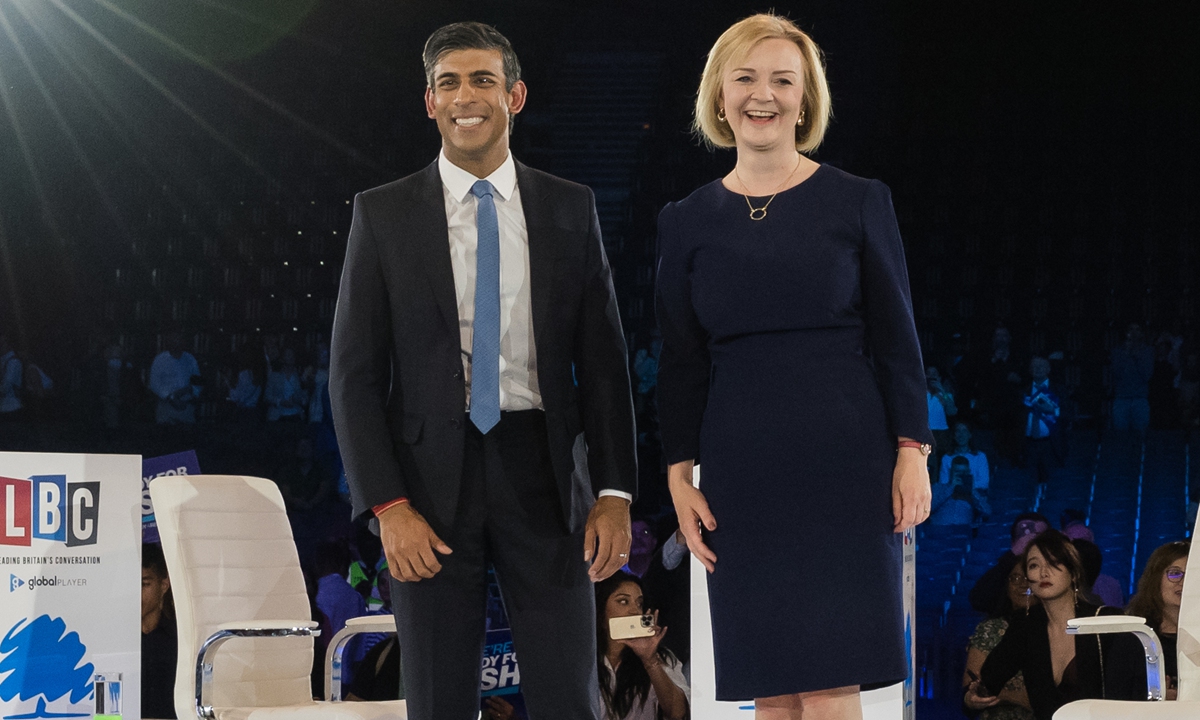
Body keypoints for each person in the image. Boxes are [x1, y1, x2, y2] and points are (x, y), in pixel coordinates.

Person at [329, 21, 637, 720]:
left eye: (482, 80)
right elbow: (352, 376)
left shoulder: (569, 206)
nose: (465, 96)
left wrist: (615, 491)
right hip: (425, 490)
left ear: (515, 95)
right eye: (448, 83)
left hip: (546, 474)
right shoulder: (380, 214)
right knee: (437, 699)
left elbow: (605, 364)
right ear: (430, 103)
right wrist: (387, 506)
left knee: (568, 696)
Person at [655, 14, 933, 717]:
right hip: (742, 467)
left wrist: (913, 449)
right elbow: (682, 360)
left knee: (833, 681)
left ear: (806, 100)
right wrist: (677, 473)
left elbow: (898, 341)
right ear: (719, 96)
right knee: (771, 686)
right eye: (745, 77)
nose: (763, 95)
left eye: (783, 79)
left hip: (846, 460)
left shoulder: (859, 200)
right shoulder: (685, 219)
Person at [964, 532, 1141, 719]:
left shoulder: (1106, 621)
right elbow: (988, 681)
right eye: (1034, 565)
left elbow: (1131, 695)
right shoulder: (1026, 625)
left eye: (1053, 563)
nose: (1043, 572)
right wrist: (971, 697)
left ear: (1073, 573)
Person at [596, 571, 689, 720]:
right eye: (623, 601)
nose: (635, 610)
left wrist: (650, 661)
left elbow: (678, 713)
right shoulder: (582, 659)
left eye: (639, 603)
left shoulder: (661, 658)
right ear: (600, 610)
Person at [1113, 540, 1189, 700]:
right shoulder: (1133, 638)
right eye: (1175, 573)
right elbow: (1115, 700)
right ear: (1155, 579)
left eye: (1192, 575)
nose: (1184, 581)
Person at [961, 562, 1038, 720]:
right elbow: (969, 692)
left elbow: (1055, 699)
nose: (1023, 584)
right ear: (1007, 588)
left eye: (1029, 578)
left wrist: (1004, 694)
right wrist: (972, 698)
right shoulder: (991, 628)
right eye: (1015, 578)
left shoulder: (1057, 627)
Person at [969, 513, 1051, 616]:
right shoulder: (1004, 570)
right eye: (1023, 537)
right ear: (1013, 542)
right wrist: (1012, 556)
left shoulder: (1057, 571)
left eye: (1038, 537)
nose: (1029, 542)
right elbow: (979, 601)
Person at [141, 543, 178, 719]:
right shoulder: (112, 638)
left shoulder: (181, 639)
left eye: (144, 584)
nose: (135, 592)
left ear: (164, 585)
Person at [1022, 357, 1062, 494]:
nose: (1038, 369)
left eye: (1041, 366)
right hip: (1028, 444)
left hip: (1050, 444)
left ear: (1048, 369)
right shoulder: (1022, 391)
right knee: (1027, 486)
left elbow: (1069, 414)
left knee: (1052, 488)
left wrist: (1052, 410)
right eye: (1034, 366)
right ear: (1029, 370)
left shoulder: (1058, 389)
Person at [1109, 323, 1154, 442]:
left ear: (1142, 333)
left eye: (1137, 329)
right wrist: (1125, 354)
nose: (1134, 332)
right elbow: (1116, 373)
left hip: (1140, 398)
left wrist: (1136, 356)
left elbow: (1147, 375)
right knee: (1120, 437)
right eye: (1131, 329)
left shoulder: (1147, 351)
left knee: (1140, 437)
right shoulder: (1118, 351)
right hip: (1121, 399)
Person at [148, 332, 199, 425]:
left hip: (186, 406)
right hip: (166, 407)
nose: (177, 343)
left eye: (179, 340)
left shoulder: (190, 359)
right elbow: (154, 384)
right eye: (174, 340)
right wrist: (171, 397)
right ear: (168, 342)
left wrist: (191, 390)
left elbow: (198, 382)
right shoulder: (160, 359)